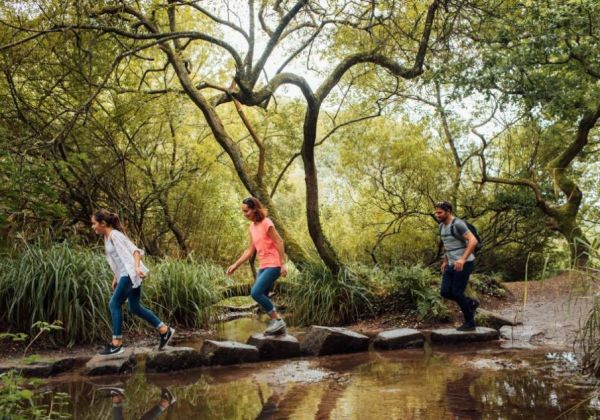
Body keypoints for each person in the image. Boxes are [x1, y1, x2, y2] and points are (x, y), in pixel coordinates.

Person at [91, 209, 174, 356]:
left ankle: (117, 344)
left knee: (114, 304)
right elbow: (118, 260)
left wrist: (136, 268)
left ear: (103, 223)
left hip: (130, 274)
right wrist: (116, 277)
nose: (93, 227)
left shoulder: (115, 236)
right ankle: (164, 330)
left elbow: (135, 251)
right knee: (134, 307)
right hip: (126, 274)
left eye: (94, 223)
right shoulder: (108, 236)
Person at [227, 197, 288, 335]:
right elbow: (250, 250)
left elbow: (279, 241)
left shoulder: (266, 223)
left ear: (254, 209)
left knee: (255, 293)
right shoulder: (252, 227)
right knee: (263, 297)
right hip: (263, 265)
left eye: (246, 211)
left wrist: (283, 264)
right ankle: (279, 328)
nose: (245, 214)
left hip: (274, 264)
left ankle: (278, 320)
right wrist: (235, 265)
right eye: (243, 212)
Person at [434, 201, 480, 331]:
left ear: (448, 212)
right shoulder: (441, 227)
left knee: (457, 292)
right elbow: (448, 245)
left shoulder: (458, 224)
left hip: (464, 263)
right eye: (436, 212)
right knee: (445, 292)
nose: (437, 215)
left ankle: (470, 323)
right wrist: (445, 261)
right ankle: (471, 303)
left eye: (440, 212)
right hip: (451, 263)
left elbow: (473, 241)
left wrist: (463, 259)